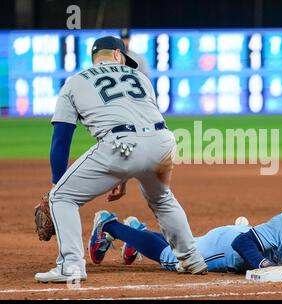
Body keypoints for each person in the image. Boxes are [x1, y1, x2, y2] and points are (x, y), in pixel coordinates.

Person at [34, 36, 207, 283]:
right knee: (162, 199)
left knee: (62, 197)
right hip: (162, 141)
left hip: (121, 146)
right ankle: (192, 259)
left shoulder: (74, 83)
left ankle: (71, 265)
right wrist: (123, 176)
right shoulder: (141, 78)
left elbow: (61, 139)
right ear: (118, 54)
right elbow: (141, 127)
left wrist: (55, 186)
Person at [88, 177, 282, 273]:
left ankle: (139, 233)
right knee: (171, 258)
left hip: (246, 240)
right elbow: (242, 243)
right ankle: (109, 225)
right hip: (228, 247)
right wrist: (263, 266)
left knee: (177, 246)